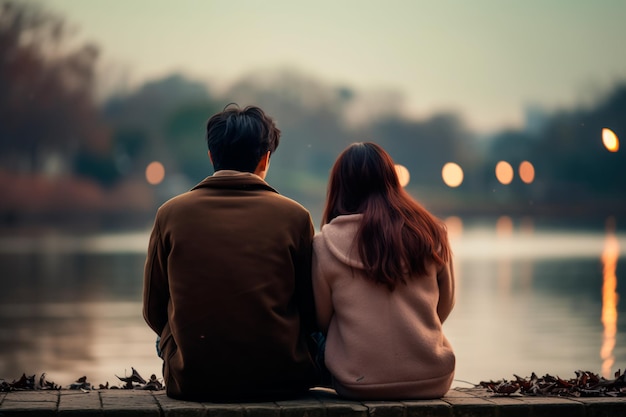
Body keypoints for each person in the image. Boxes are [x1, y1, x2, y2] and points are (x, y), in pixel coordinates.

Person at [143, 104, 319, 402]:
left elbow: (153, 310)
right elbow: (311, 312)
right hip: (282, 378)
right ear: (265, 158)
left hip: (193, 381)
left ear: (212, 156)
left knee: (168, 335)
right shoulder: (296, 217)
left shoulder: (170, 214)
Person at [312, 142, 455, 400]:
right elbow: (444, 305)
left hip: (356, 382)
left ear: (340, 187)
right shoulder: (433, 232)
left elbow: (322, 319)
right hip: (432, 379)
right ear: (391, 180)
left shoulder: (324, 243)